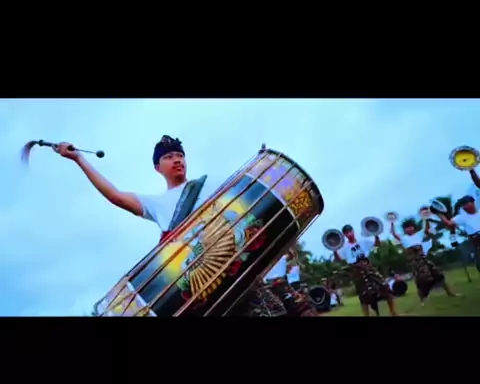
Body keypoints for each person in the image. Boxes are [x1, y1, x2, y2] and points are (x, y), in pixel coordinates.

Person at [55, 135, 285, 317]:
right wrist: (79, 159)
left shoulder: (212, 182)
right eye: (168, 157)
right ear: (157, 167)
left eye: (179, 155)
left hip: (241, 276)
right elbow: (116, 196)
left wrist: (261, 165)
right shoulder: (156, 204)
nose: (177, 160)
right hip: (201, 294)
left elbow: (252, 199)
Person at [333, 224, 398, 317]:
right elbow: (339, 259)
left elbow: (377, 244)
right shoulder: (344, 248)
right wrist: (334, 250)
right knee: (363, 296)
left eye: (350, 231)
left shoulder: (362, 241)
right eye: (346, 233)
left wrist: (376, 234)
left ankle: (393, 312)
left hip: (368, 268)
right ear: (345, 235)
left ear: (353, 231)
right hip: (356, 271)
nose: (349, 234)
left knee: (385, 286)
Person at [390, 218, 458, 305]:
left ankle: (450, 293)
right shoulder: (404, 238)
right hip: (416, 264)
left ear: (413, 227)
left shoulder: (419, 234)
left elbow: (426, 229)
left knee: (438, 275)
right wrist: (392, 223)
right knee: (420, 282)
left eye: (411, 227)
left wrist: (426, 219)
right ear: (405, 230)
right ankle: (422, 300)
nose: (409, 229)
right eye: (407, 228)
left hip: (424, 259)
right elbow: (394, 234)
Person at [435, 195, 480, 260]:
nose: (463, 207)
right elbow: (449, 223)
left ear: (472, 203)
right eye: (462, 205)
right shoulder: (461, 217)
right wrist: (439, 214)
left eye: (465, 204)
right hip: (476, 239)